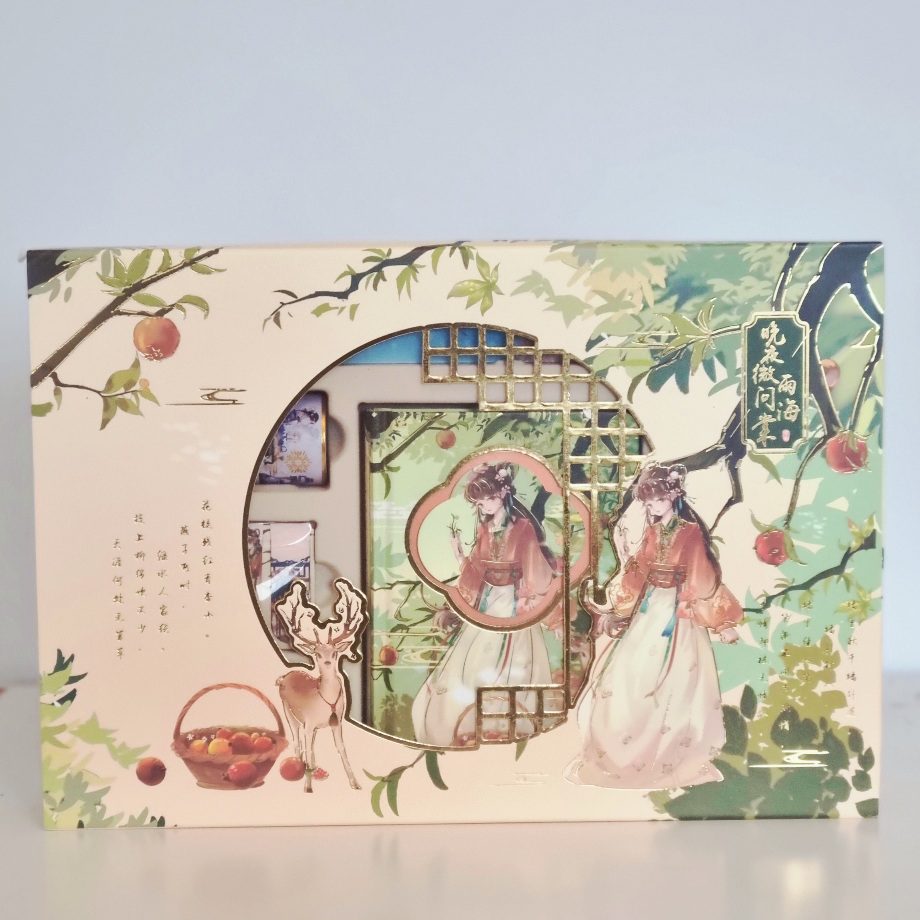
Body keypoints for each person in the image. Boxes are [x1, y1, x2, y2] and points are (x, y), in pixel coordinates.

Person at [565, 462, 741, 789]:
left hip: (679, 611)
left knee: (676, 681)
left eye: (657, 500)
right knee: (630, 674)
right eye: (648, 503)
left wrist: (720, 622)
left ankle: (669, 755)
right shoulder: (652, 532)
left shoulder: (689, 533)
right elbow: (637, 571)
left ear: (673, 496)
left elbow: (702, 577)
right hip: (650, 607)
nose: (653, 507)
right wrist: (615, 603)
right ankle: (626, 752)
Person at [412, 462, 560, 747]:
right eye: (480, 503)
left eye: (489, 499)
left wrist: (550, 617)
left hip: (515, 603)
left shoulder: (523, 528)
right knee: (472, 661)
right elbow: (477, 569)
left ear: (503, 493)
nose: (486, 506)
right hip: (488, 602)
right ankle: (462, 725)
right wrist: (459, 555)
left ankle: (506, 727)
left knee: (514, 662)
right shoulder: (484, 528)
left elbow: (535, 572)